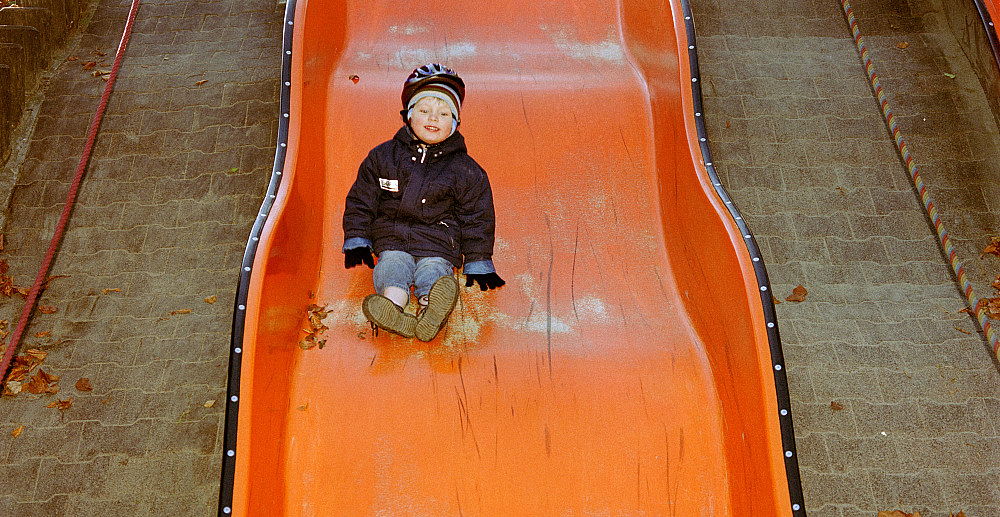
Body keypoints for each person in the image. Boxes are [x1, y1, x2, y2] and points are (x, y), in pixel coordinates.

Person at [342, 63, 505, 341]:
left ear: (455, 124)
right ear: (408, 116)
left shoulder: (466, 170)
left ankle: (432, 310)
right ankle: (393, 307)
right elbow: (362, 198)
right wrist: (357, 237)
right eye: (424, 110)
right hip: (392, 239)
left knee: (434, 271)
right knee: (392, 266)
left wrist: (478, 260)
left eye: (444, 113)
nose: (433, 118)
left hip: (438, 241)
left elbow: (477, 216)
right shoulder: (383, 157)